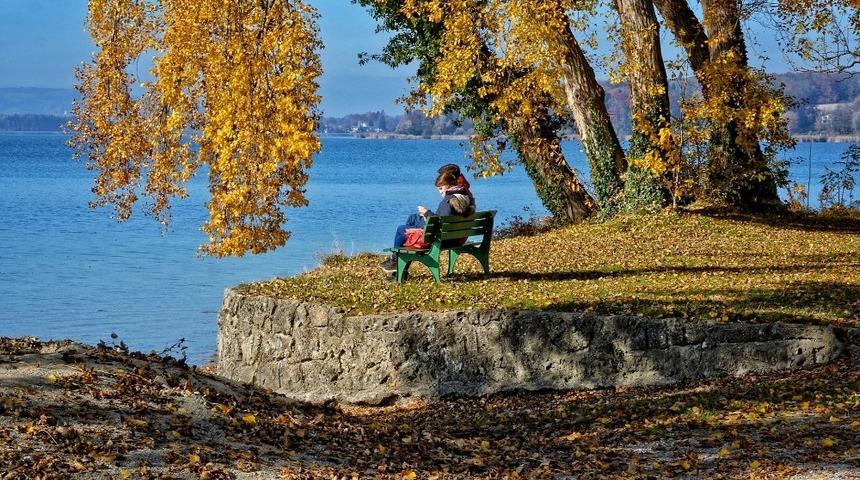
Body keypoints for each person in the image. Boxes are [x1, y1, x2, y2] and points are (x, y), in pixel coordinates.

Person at [380, 168, 476, 273]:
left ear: (450, 185)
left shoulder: (448, 201)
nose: (440, 192)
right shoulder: (464, 195)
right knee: (413, 218)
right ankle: (399, 264)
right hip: (456, 237)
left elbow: (440, 225)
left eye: (441, 188)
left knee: (401, 229)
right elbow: (445, 221)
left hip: (441, 239)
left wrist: (427, 213)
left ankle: (396, 262)